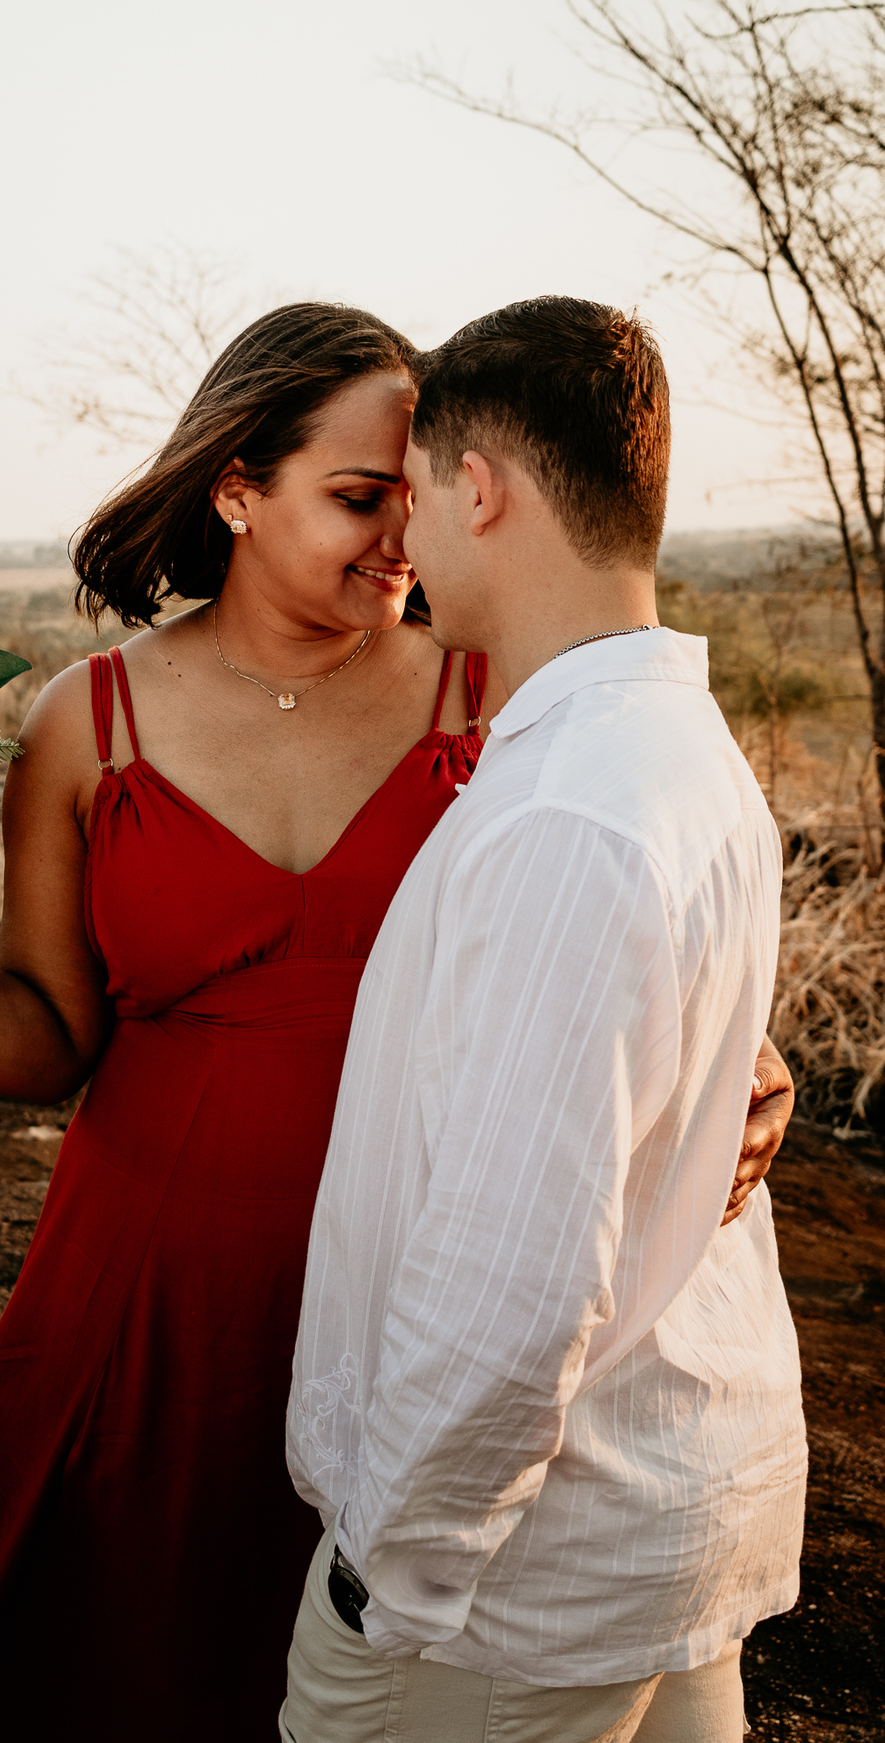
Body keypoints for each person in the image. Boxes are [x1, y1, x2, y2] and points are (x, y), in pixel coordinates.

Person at [0, 304, 791, 1743]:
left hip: (417, 1301)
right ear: (238, 488)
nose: (402, 540)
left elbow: (623, 933)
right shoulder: (84, 726)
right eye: (360, 498)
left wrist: (742, 1067)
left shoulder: (502, 697)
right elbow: (46, 1036)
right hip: (154, 1307)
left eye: (415, 499)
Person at [281, 298, 808, 1743]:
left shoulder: (570, 809)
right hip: (664, 1505)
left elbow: (510, 1291)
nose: (405, 543)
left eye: (414, 494)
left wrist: (388, 1576)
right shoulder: (682, 753)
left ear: (481, 486)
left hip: (515, 1589)